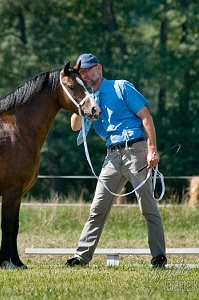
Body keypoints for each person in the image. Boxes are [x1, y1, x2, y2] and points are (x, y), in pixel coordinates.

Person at [66, 53, 167, 268]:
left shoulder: (121, 87)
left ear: (99, 69)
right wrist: (80, 106)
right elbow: (75, 126)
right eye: (81, 72)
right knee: (97, 208)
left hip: (136, 150)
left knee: (147, 207)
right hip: (111, 156)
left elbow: (146, 117)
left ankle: (159, 257)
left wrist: (151, 150)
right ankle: (81, 257)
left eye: (87, 70)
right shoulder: (89, 99)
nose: (84, 74)